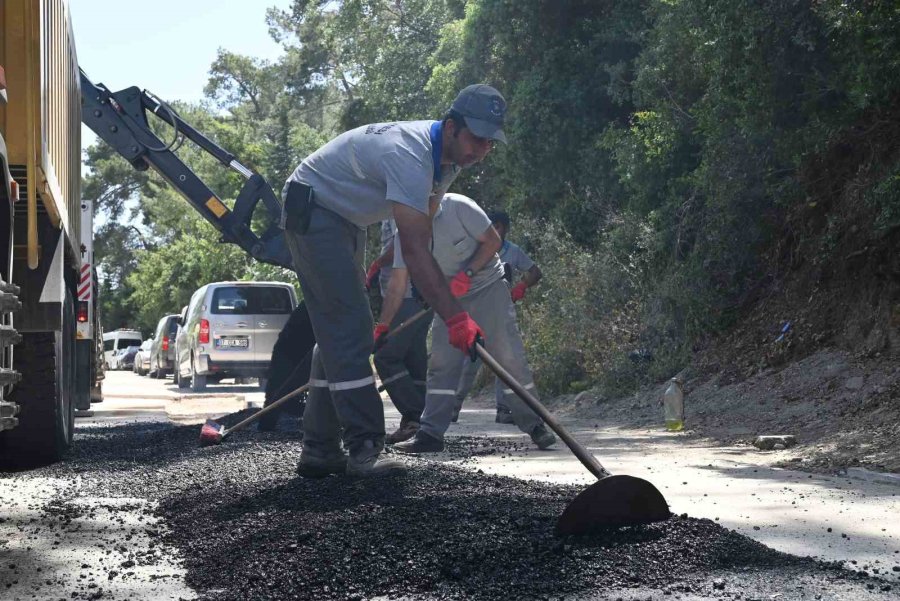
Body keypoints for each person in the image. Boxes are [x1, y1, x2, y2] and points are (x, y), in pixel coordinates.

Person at [280, 84, 506, 478]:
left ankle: (319, 449)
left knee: (338, 333)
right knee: (351, 329)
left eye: (490, 143)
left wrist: (434, 294)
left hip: (347, 219)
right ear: (451, 127)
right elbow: (416, 250)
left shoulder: (447, 163)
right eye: (477, 138)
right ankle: (364, 448)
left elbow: (417, 236)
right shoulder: (410, 155)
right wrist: (455, 317)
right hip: (314, 209)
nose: (482, 150)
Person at [381, 193, 557, 454]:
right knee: (441, 364)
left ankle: (535, 424)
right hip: (448, 299)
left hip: (488, 289)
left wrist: (467, 274)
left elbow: (493, 241)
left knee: (508, 359)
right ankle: (430, 433)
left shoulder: (459, 207)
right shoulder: (405, 231)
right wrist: (383, 325)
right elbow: (398, 282)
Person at [453, 211, 542, 423]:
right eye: (491, 226)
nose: (494, 231)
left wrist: (521, 286)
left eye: (498, 227)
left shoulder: (513, 251)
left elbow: (535, 272)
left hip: (500, 315)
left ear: (505, 229)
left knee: (505, 362)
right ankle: (453, 407)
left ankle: (504, 409)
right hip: (475, 315)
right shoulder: (475, 251)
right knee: (470, 362)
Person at [366, 220, 431, 444]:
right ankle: (416, 424)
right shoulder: (396, 209)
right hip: (419, 297)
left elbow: (404, 243)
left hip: (407, 296)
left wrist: (377, 263)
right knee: (414, 359)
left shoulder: (400, 210)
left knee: (385, 357)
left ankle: (415, 415)